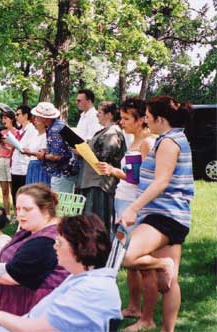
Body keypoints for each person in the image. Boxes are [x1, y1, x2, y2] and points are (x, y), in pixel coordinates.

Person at [0, 214, 122, 332]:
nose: (54, 246)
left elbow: (34, 329)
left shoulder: (89, 292)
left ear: (78, 249)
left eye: (60, 243)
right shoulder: (83, 276)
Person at [120, 96, 194, 332]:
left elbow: (161, 182)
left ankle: (162, 263)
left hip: (164, 215)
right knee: (168, 282)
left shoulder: (169, 142)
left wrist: (133, 207)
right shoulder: (173, 138)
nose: (146, 121)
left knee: (128, 256)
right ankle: (167, 330)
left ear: (160, 119)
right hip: (174, 216)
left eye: (149, 118)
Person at [96, 97, 157, 332]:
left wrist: (113, 171)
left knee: (140, 261)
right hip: (122, 202)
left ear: (141, 119)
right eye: (120, 117)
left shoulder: (148, 143)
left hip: (134, 205)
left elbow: (143, 179)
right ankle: (133, 306)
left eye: (125, 118)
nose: (121, 122)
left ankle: (148, 317)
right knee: (126, 259)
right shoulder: (134, 140)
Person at [0, 183, 69, 316]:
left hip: (31, 314)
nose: (20, 214)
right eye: (18, 209)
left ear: (46, 210)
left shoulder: (47, 241)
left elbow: (11, 275)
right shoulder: (34, 228)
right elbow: (17, 252)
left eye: (27, 209)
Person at [76, 101, 127, 234]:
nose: (97, 115)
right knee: (88, 222)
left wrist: (83, 151)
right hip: (91, 180)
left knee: (97, 221)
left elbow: (104, 157)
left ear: (109, 115)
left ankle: (100, 250)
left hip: (100, 183)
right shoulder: (104, 131)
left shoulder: (112, 133)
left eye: (100, 112)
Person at [37, 102, 79, 193]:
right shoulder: (60, 125)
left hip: (61, 173)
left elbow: (57, 156)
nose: (36, 118)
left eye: (38, 115)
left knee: (60, 203)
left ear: (45, 118)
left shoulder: (54, 130)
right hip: (68, 171)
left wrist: (43, 156)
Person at [10, 105, 37, 207]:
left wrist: (20, 146)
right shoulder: (20, 130)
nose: (16, 117)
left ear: (25, 115)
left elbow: (30, 147)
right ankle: (17, 215)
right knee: (15, 192)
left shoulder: (31, 130)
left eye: (18, 114)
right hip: (16, 165)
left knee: (23, 193)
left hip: (24, 166)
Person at [0, 111, 18, 218]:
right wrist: (2, 142)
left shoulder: (17, 132)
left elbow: (15, 147)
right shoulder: (2, 132)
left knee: (13, 190)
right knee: (4, 190)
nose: (3, 120)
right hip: (1, 160)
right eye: (2, 118)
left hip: (11, 160)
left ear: (12, 119)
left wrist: (6, 143)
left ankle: (16, 215)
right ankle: (7, 214)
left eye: (6, 118)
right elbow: (4, 147)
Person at [23, 105, 52, 185]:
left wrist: (30, 152)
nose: (35, 121)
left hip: (40, 166)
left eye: (37, 119)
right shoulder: (35, 135)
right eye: (35, 118)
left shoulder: (46, 136)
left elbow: (42, 154)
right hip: (32, 164)